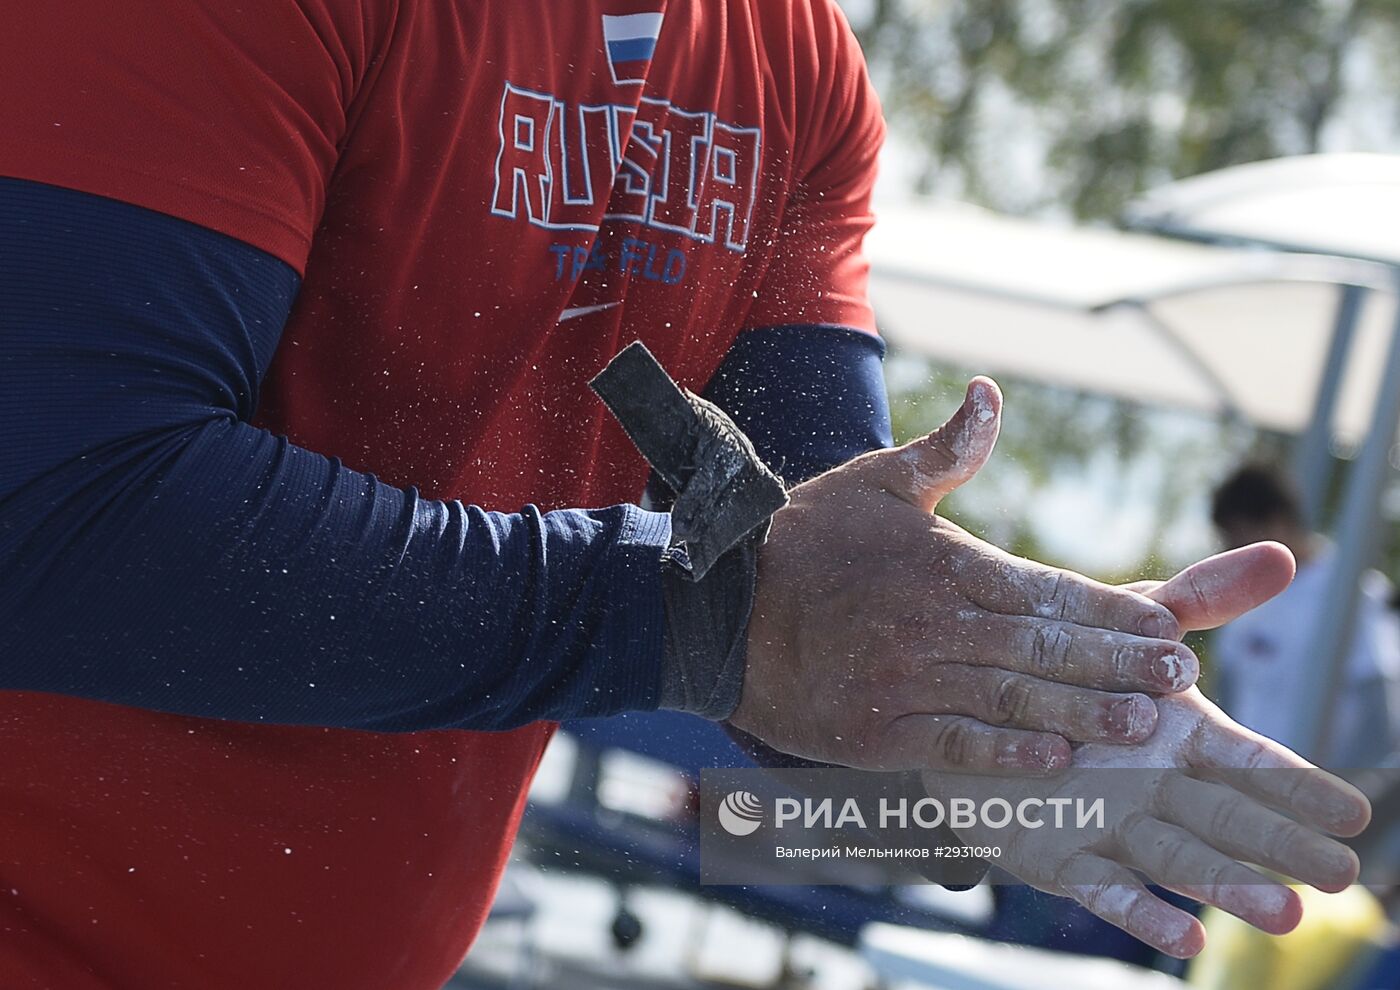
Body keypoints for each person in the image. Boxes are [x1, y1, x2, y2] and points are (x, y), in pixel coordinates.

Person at [0, 3, 1366, 986]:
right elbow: (56, 505)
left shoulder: (800, 67)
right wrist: (702, 621)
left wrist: (1006, 702)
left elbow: (797, 585)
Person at [1212, 465, 1400, 767]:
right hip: (1245, 792)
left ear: (1278, 523)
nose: (1230, 549)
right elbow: (1227, 696)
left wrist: (1329, 793)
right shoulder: (1238, 592)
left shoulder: (1357, 591)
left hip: (1311, 799)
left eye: (1238, 535)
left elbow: (1378, 720)